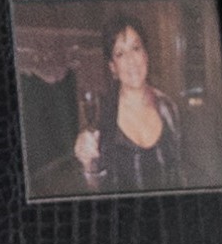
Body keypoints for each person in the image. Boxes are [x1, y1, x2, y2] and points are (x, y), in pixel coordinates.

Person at [71, 12, 192, 192]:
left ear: (146, 55)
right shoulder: (102, 120)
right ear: (112, 67)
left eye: (136, 48)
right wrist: (87, 163)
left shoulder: (169, 108)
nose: (131, 61)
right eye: (120, 54)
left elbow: (180, 173)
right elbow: (96, 189)